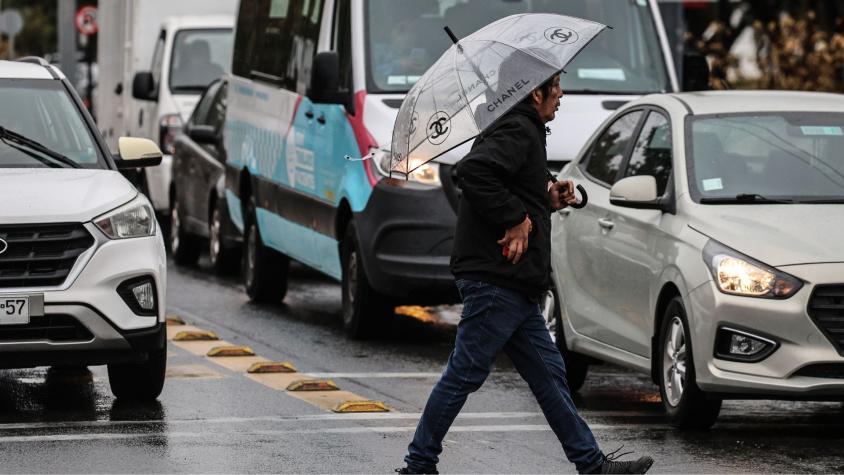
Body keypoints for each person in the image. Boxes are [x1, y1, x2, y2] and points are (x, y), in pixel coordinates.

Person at [396, 71, 655, 474]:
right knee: (465, 373)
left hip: (512, 281)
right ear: (535, 91)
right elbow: (473, 173)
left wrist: (546, 196)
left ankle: (591, 465)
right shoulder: (517, 127)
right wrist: (515, 217)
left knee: (549, 375)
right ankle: (418, 464)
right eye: (556, 86)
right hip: (496, 278)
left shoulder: (519, 126)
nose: (561, 94)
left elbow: (506, 182)